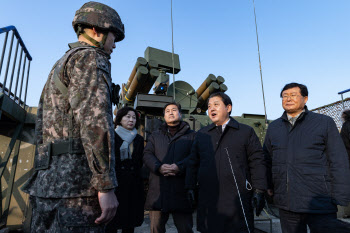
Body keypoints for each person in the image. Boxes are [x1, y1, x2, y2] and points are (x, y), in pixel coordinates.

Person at [21, 2, 125, 232]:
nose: (115, 44)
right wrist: (105, 186)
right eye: (113, 36)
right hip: (77, 191)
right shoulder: (90, 59)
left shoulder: (63, 62)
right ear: (97, 31)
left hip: (49, 185)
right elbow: (96, 124)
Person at [263, 82, 350, 233]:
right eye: (285, 96)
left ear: (305, 99)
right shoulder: (274, 128)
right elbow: (267, 160)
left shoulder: (324, 123)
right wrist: (269, 186)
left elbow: (338, 160)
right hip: (287, 203)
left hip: (319, 201)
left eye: (293, 95)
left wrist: (341, 196)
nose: (288, 99)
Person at [186, 92, 267, 233]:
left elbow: (257, 161)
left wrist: (259, 190)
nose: (211, 109)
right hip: (209, 198)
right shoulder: (202, 134)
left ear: (228, 107)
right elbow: (193, 162)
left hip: (237, 199)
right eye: (209, 106)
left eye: (216, 105)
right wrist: (190, 187)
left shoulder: (245, 132)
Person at [143, 102, 196, 233]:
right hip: (159, 192)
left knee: (185, 229)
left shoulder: (193, 135)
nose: (171, 112)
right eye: (167, 111)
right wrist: (158, 167)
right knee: (156, 228)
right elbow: (147, 154)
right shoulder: (155, 135)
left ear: (180, 114)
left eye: (174, 110)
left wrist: (180, 166)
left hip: (182, 191)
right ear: (164, 116)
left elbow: (196, 156)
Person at [106, 107, 144, 233]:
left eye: (134, 117)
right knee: (112, 223)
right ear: (120, 119)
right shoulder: (111, 135)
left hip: (133, 186)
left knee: (129, 223)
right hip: (116, 185)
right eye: (127, 116)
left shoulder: (138, 139)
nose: (131, 120)